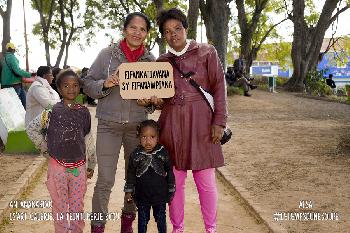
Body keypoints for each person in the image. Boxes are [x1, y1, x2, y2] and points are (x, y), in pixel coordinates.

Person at [155, 8, 228, 233]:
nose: (173, 34)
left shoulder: (207, 52)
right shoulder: (161, 61)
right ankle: (178, 229)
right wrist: (154, 100)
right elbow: (158, 99)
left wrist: (220, 121)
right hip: (171, 125)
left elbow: (219, 87)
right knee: (174, 184)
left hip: (202, 124)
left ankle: (211, 229)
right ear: (163, 36)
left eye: (178, 28)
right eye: (167, 31)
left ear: (186, 29)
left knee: (206, 183)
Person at [83, 12, 155, 233]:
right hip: (108, 126)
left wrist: (150, 103)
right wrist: (104, 84)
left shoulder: (151, 61)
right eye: (133, 28)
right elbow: (87, 83)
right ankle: (97, 227)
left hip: (137, 128)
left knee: (134, 179)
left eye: (142, 29)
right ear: (124, 30)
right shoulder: (107, 55)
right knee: (104, 179)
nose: (137, 32)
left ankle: (127, 224)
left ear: (146, 34)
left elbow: (155, 98)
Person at [45, 69, 92, 233]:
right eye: (66, 86)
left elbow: (87, 137)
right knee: (59, 206)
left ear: (79, 87)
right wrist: (47, 150)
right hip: (57, 167)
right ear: (58, 88)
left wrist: (91, 163)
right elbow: (34, 129)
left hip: (78, 167)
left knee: (77, 206)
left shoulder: (84, 112)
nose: (71, 89)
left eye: (75, 85)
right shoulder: (51, 111)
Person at [124, 120, 175, 233]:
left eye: (152, 137)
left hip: (160, 196)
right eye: (144, 137)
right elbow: (131, 175)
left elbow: (170, 172)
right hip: (142, 196)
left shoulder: (163, 152)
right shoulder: (135, 154)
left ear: (158, 137)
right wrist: (128, 191)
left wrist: (171, 189)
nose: (148, 141)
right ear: (139, 137)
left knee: (161, 219)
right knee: (142, 221)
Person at [0, 42, 33, 108]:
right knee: (18, 106)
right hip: (14, 85)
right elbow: (17, 70)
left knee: (16, 106)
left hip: (8, 84)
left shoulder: (4, 58)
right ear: (13, 49)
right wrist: (30, 74)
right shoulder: (11, 57)